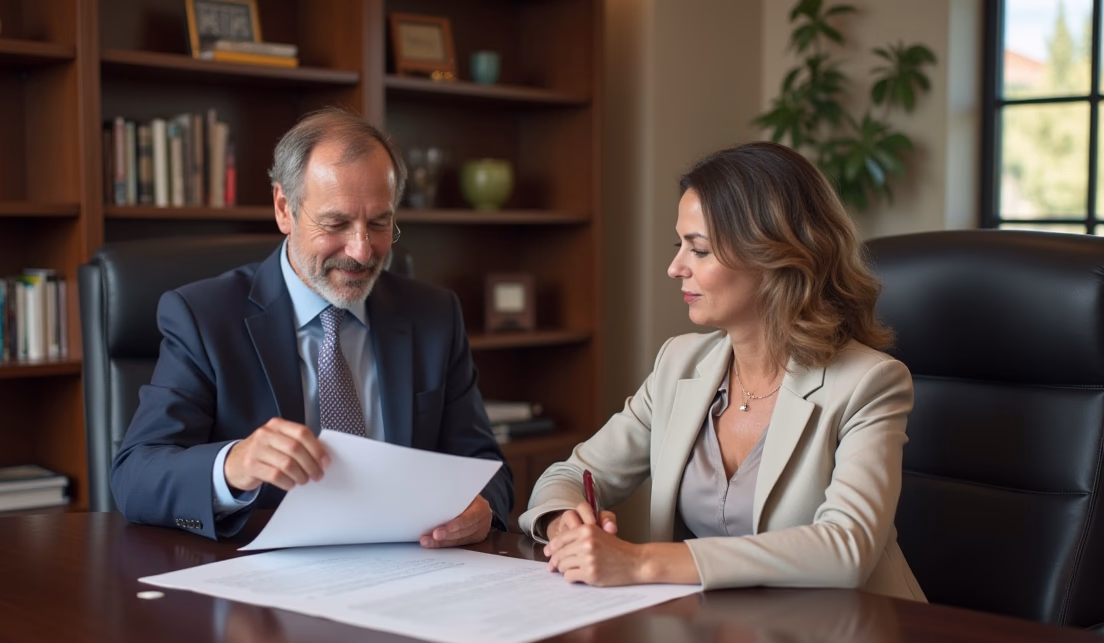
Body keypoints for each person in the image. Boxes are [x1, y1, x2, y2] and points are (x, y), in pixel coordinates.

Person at [520, 141, 925, 600]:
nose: (675, 268)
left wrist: (641, 562)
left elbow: (847, 548)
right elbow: (571, 475)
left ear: (775, 257)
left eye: (700, 250)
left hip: (847, 638)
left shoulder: (869, 383)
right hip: (714, 634)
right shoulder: (679, 364)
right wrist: (563, 521)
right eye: (680, 246)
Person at [112, 108, 513, 545]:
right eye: (336, 224)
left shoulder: (434, 315)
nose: (361, 252)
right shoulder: (203, 317)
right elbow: (135, 477)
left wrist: (482, 508)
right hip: (260, 583)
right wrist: (234, 464)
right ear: (285, 208)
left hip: (407, 571)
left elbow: (485, 465)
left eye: (379, 223)